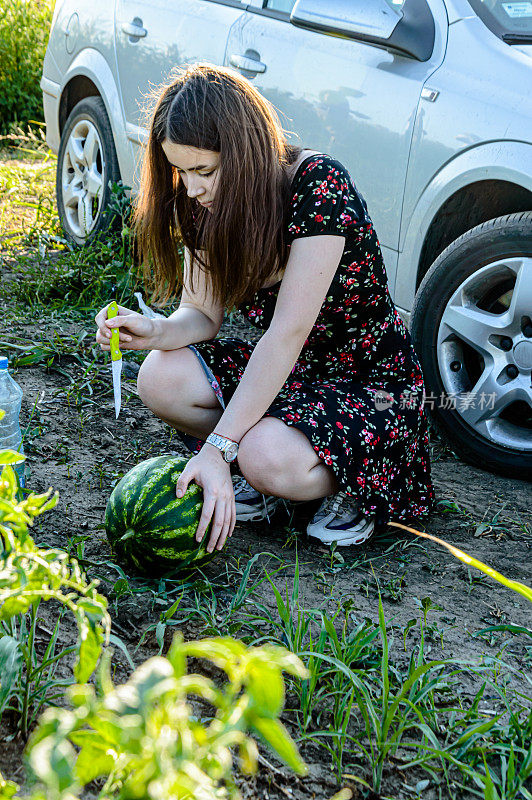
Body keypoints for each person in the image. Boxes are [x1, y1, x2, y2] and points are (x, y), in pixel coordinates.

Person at [95, 63, 435, 557]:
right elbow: (201, 316)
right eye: (181, 171)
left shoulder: (318, 187)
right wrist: (156, 329)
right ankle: (258, 469)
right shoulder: (203, 204)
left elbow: (286, 334)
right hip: (291, 375)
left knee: (262, 455)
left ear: (245, 153)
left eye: (204, 171)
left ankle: (347, 488)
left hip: (368, 384)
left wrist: (218, 448)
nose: (191, 189)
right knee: (159, 376)